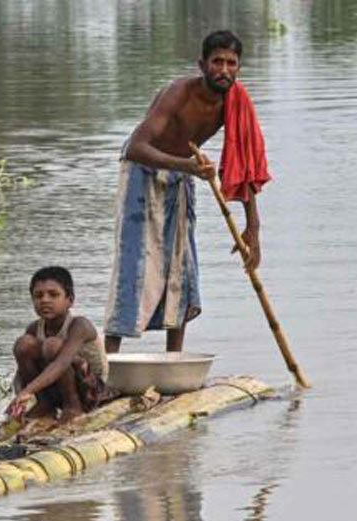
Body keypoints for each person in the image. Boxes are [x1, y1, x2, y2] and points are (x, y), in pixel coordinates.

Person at [103, 29, 271, 354]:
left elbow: (244, 165)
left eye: (231, 63)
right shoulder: (179, 92)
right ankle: (108, 366)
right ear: (202, 64)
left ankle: (174, 362)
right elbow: (136, 147)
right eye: (217, 62)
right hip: (143, 173)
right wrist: (188, 167)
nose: (224, 70)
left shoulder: (235, 103)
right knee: (135, 265)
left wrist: (253, 228)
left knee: (180, 266)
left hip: (180, 177)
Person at [8, 266, 113, 423]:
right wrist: (19, 396)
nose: (45, 300)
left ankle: (73, 406)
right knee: (23, 344)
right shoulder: (34, 328)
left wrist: (28, 390)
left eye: (53, 295)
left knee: (52, 345)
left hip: (89, 391)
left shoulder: (80, 325)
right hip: (55, 388)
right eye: (38, 296)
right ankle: (45, 404)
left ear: (70, 300)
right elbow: (22, 370)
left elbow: (62, 363)